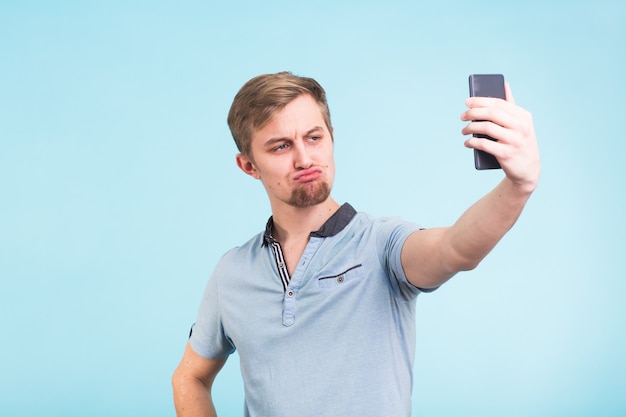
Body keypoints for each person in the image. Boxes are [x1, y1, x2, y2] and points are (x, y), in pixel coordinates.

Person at [171, 71, 540, 417]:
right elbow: (190, 376)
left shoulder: (382, 245)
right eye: (281, 146)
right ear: (248, 165)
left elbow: (455, 249)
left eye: (314, 137)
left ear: (331, 136)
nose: (305, 158)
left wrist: (517, 186)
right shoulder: (232, 273)